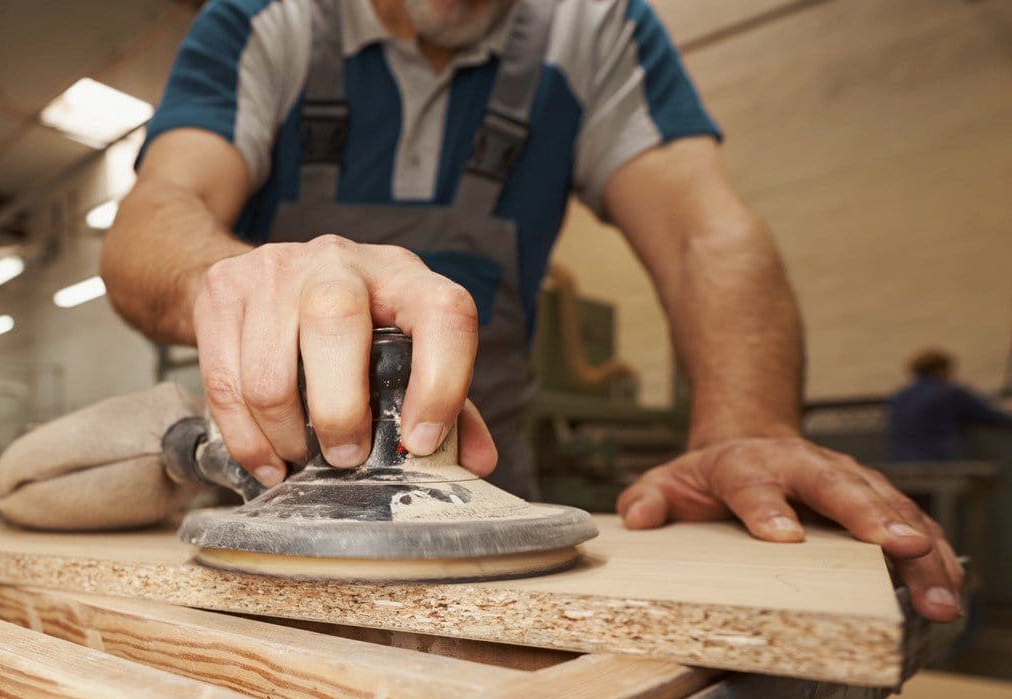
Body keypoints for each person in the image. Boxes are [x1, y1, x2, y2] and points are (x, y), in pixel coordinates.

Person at [101, 0, 963, 621]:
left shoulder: (596, 27)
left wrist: (747, 426)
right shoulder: (266, 21)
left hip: (488, 490)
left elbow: (709, 233)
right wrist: (236, 275)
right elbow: (151, 221)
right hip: (274, 500)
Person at [888, 348, 1012, 462]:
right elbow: (989, 415)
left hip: (901, 462)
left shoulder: (900, 396)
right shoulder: (951, 393)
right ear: (941, 369)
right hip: (938, 461)